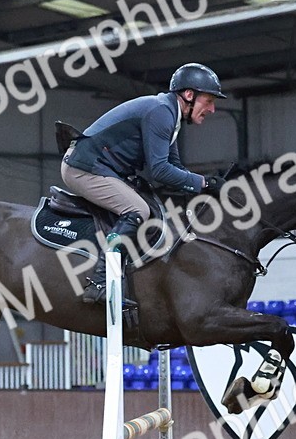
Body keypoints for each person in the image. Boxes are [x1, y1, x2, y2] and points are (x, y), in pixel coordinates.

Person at [61, 62, 227, 305]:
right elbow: (159, 170)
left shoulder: (170, 114)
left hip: (102, 168)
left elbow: (175, 167)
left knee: (152, 207)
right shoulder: (161, 112)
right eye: (209, 101)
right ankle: (100, 281)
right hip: (84, 169)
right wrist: (202, 183)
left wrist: (207, 184)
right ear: (189, 95)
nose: (212, 109)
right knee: (137, 210)